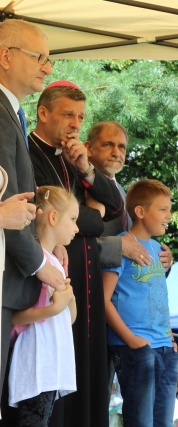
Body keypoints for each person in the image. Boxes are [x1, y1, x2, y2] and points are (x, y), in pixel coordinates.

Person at [28, 80, 124, 427]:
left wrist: (85, 167)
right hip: (54, 276)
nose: (75, 124)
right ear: (43, 113)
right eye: (68, 114)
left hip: (85, 276)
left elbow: (114, 208)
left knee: (87, 367)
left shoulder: (71, 159)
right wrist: (91, 216)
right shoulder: (27, 153)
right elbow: (89, 220)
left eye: (80, 117)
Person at [0, 20, 67, 407]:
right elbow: (9, 201)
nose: (47, 67)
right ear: (5, 57)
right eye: (38, 57)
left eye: (49, 59)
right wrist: (37, 261)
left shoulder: (12, 112)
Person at [102, 179, 178, 427]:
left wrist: (171, 338)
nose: (169, 215)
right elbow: (104, 299)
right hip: (136, 348)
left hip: (166, 349)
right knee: (141, 422)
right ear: (140, 211)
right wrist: (130, 340)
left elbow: (158, 297)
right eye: (163, 209)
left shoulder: (159, 249)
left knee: (163, 423)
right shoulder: (123, 245)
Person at [7, 186, 78, 425]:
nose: (77, 228)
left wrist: (70, 298)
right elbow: (14, 317)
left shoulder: (56, 262)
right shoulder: (37, 262)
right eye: (73, 219)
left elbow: (68, 319)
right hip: (34, 364)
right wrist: (54, 308)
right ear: (54, 217)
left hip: (51, 364)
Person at [84, 121, 173, 271]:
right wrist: (118, 247)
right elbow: (71, 244)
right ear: (88, 148)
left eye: (122, 147)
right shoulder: (75, 186)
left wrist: (162, 261)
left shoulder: (123, 193)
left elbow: (136, 247)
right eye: (108, 145)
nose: (116, 153)